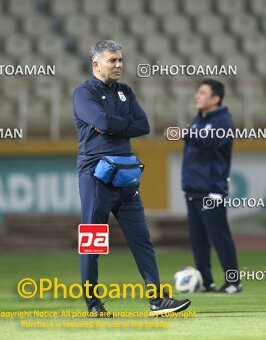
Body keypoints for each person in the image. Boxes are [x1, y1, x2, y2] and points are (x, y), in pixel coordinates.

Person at [73, 40, 191, 317]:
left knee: (142, 240)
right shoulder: (83, 93)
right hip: (95, 175)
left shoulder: (125, 91)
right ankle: (93, 305)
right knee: (93, 243)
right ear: (96, 64)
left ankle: (157, 300)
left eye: (120, 60)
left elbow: (144, 125)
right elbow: (104, 123)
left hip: (125, 175)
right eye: (112, 60)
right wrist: (118, 125)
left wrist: (114, 127)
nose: (118, 65)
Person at [180, 79, 242, 293]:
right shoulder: (199, 120)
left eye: (202, 93)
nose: (197, 96)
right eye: (198, 92)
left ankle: (234, 281)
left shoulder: (223, 120)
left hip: (212, 190)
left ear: (216, 99)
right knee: (198, 240)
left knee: (219, 237)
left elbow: (210, 142)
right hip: (193, 189)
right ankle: (206, 282)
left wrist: (188, 134)